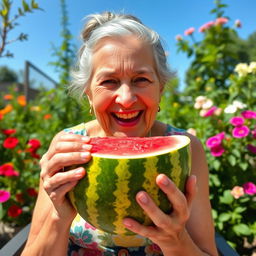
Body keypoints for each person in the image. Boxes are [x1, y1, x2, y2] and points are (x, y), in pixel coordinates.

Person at [22, 12, 218, 256]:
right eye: (109, 81)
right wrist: (57, 216)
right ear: (89, 94)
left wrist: (175, 240)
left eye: (141, 79)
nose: (126, 99)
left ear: (161, 89)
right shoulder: (69, 148)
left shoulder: (187, 147)